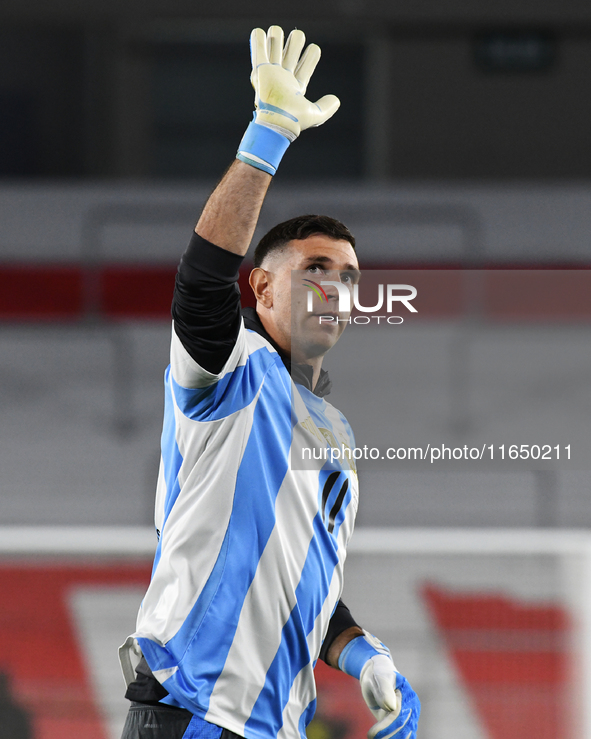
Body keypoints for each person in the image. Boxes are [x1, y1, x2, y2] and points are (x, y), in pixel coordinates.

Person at [119, 25, 420, 739]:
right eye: (315, 268)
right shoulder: (231, 366)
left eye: (349, 277)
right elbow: (199, 284)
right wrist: (268, 133)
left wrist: (363, 654)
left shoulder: (335, 436)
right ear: (260, 286)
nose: (336, 287)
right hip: (192, 712)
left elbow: (300, 591)